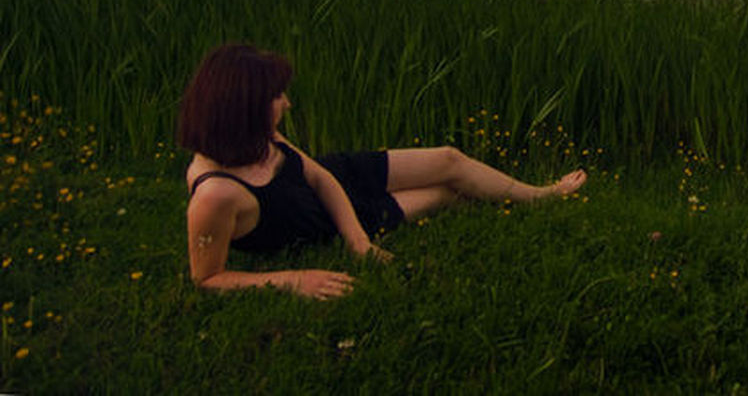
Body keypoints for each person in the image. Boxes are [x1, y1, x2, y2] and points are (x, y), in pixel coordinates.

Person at [179, 43, 586, 299]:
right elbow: (208, 278)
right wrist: (294, 279)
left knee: (448, 159)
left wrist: (358, 243)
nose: (286, 104)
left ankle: (543, 195)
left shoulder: (258, 136)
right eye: (276, 97)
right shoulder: (216, 195)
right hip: (317, 220)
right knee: (446, 194)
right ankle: (510, 201)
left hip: (340, 179)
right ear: (243, 107)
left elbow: (318, 175)